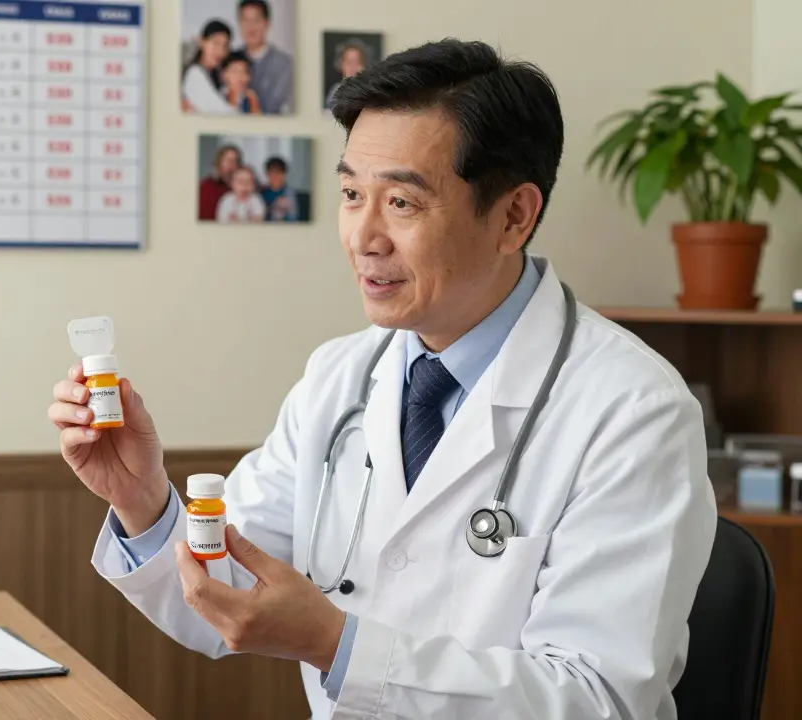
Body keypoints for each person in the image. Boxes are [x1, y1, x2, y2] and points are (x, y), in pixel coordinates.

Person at [49, 38, 716, 719]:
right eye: (349, 194)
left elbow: (600, 699)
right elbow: (226, 599)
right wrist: (143, 503)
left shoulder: (633, 410)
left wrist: (339, 646)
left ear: (514, 215)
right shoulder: (340, 375)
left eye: (401, 202)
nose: (363, 236)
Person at [236, 0, 293, 114]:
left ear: (267, 23)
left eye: (256, 20)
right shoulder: (231, 59)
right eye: (245, 20)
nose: (250, 27)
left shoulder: (285, 65)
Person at [181, 19, 235, 114]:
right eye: (216, 43)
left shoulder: (217, 75)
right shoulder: (195, 74)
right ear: (202, 42)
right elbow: (222, 113)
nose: (220, 51)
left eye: (225, 46)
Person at [198, 144, 242, 220]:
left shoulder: (243, 188)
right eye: (228, 160)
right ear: (219, 163)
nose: (231, 165)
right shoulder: (205, 187)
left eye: (235, 161)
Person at [325, 40, 369, 110]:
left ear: (364, 65)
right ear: (341, 65)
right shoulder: (334, 93)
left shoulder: (370, 93)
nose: (353, 67)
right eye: (349, 62)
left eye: (357, 62)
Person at [261, 156, 298, 221]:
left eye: (278, 173)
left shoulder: (289, 193)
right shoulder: (262, 192)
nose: (275, 177)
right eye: (272, 173)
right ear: (267, 174)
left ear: (284, 175)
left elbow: (293, 217)